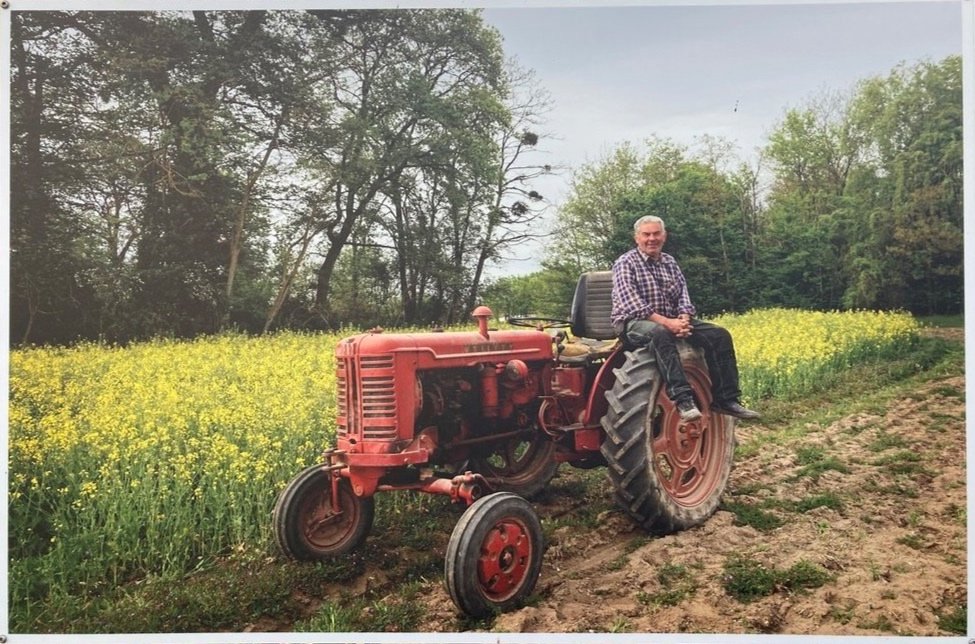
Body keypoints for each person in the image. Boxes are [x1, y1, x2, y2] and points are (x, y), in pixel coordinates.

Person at [611, 214, 759, 421]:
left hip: (673, 320)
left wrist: (684, 319)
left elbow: (683, 295)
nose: (651, 239)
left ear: (664, 236)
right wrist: (668, 323)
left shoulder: (670, 262)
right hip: (633, 323)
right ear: (637, 238)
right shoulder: (625, 263)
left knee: (719, 336)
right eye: (646, 235)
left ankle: (726, 400)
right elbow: (632, 304)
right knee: (660, 334)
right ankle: (683, 399)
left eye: (656, 234)